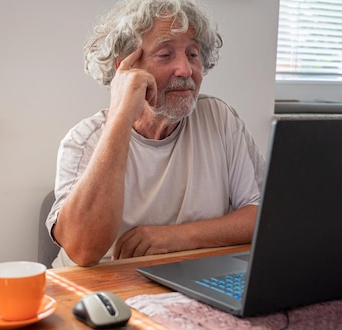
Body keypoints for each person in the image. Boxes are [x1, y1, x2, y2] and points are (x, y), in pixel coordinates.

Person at [46, 0, 265, 267]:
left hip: (183, 281)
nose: (185, 70)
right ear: (124, 69)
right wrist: (122, 112)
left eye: (193, 54)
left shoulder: (219, 119)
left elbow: (264, 216)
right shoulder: (85, 140)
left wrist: (174, 238)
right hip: (96, 293)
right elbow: (83, 250)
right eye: (165, 54)